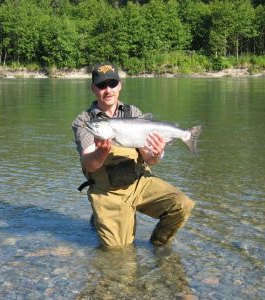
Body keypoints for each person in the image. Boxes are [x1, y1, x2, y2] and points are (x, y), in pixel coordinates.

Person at [72, 63, 195, 248]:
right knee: (118, 251)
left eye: (112, 84)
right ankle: (101, 219)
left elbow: (150, 160)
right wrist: (102, 150)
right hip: (108, 192)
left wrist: (157, 152)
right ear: (93, 88)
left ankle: (158, 245)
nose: (108, 90)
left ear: (120, 85)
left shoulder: (134, 113)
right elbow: (90, 164)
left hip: (140, 182)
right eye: (101, 85)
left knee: (182, 205)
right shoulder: (84, 121)